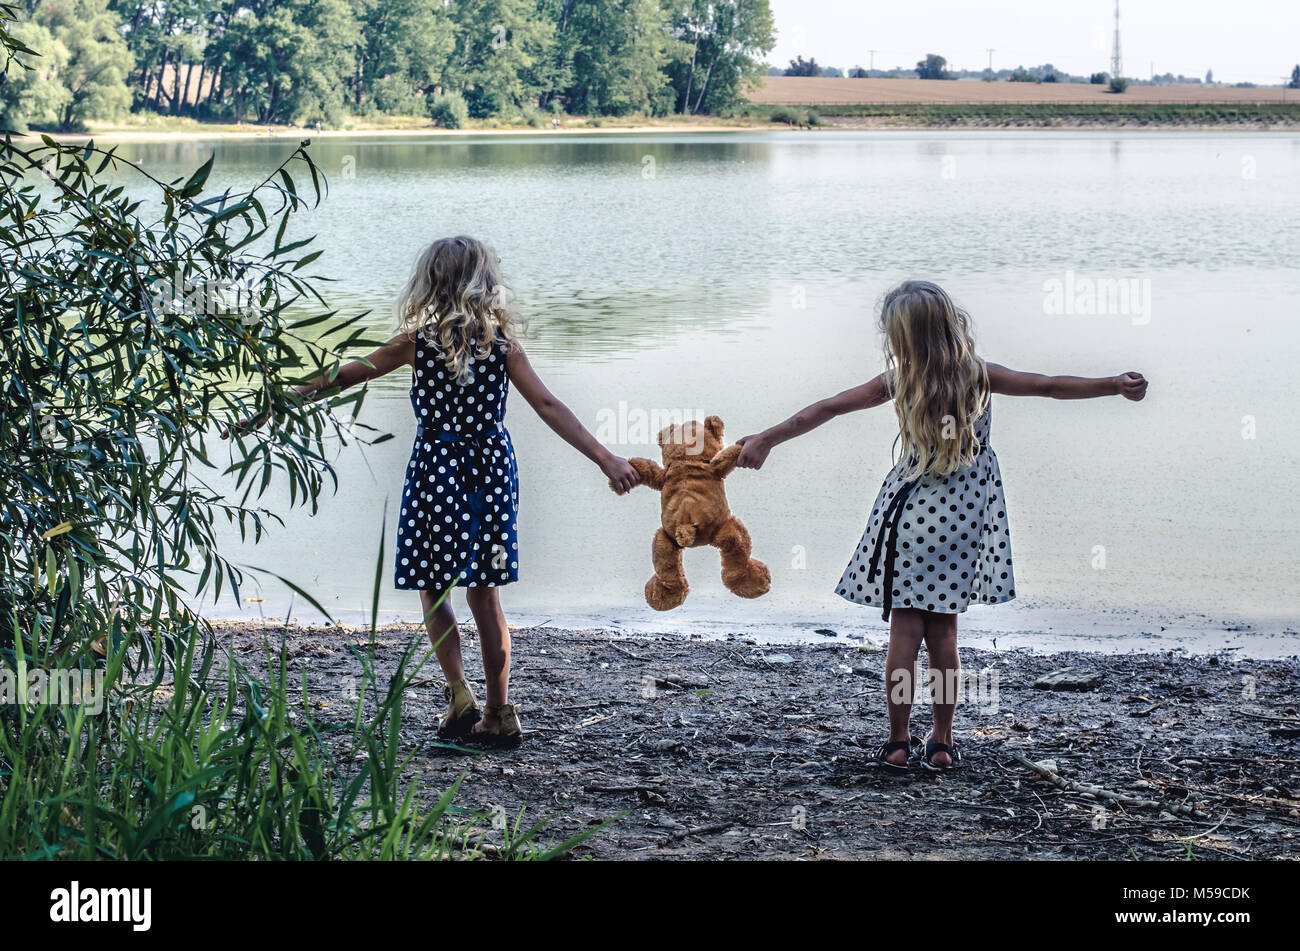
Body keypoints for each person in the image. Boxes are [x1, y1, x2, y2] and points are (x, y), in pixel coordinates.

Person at [735, 280, 1148, 771]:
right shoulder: (980, 375)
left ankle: (895, 742)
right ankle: (943, 742)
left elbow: (822, 410)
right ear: (952, 325)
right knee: (944, 636)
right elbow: (1049, 385)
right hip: (962, 522)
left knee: (903, 634)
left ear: (899, 338)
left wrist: (765, 439)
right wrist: (1112, 385)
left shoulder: (898, 380)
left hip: (910, 518)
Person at [247, 236, 639, 746]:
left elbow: (345, 376)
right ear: (486, 282)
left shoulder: (418, 343)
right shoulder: (502, 345)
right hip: (492, 470)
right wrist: (605, 459)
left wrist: (279, 401)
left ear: (430, 282)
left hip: (437, 470)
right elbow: (548, 406)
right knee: (486, 592)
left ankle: (460, 697)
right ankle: (498, 712)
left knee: (436, 587)